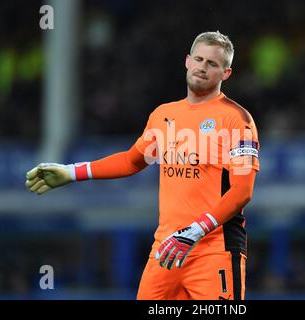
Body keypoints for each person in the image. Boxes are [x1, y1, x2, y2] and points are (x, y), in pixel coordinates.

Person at [25, 31, 260, 300]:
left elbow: (242, 191)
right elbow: (131, 161)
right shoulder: (163, 116)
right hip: (166, 251)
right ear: (187, 61)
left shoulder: (237, 120)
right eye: (199, 59)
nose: (203, 67)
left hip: (215, 250)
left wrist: (194, 232)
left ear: (226, 74)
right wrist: (71, 171)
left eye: (212, 64)